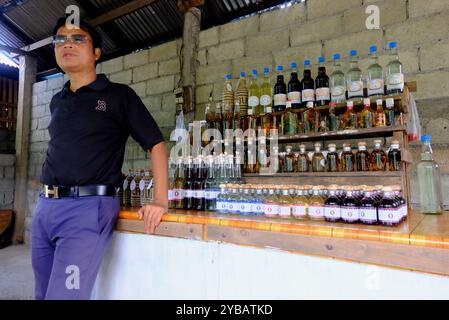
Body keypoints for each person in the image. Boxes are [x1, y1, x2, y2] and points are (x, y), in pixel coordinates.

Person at [31, 17, 168, 300]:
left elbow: (155, 143)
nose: (67, 44)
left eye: (78, 38)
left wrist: (160, 199)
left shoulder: (118, 96)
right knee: (42, 294)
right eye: (60, 39)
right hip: (45, 208)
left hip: (86, 209)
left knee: (64, 296)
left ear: (96, 53)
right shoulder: (58, 100)